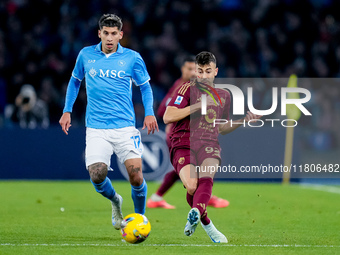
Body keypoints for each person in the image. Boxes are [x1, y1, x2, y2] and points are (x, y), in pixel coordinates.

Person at [59, 14, 158, 230]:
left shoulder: (132, 58)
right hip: (96, 127)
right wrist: (67, 110)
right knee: (97, 174)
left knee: (136, 175)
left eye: (114, 34)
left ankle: (139, 220)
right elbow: (75, 82)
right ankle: (116, 201)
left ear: (121, 35)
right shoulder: (86, 55)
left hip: (124, 127)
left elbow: (145, 87)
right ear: (99, 33)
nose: (110, 38)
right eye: (106, 33)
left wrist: (149, 112)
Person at [163, 51, 261, 243]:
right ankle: (207, 223)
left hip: (209, 142)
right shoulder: (186, 88)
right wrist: (197, 106)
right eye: (200, 71)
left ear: (215, 71)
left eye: (208, 71)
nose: (204, 75)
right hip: (183, 141)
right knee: (191, 186)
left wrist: (243, 121)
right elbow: (168, 116)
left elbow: (222, 127)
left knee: (207, 174)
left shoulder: (224, 95)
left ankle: (196, 212)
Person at [147, 55, 229, 209]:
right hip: (178, 134)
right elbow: (163, 111)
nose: (193, 73)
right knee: (194, 168)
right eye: (190, 69)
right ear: (182, 69)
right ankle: (204, 197)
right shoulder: (181, 87)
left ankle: (158, 197)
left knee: (190, 169)